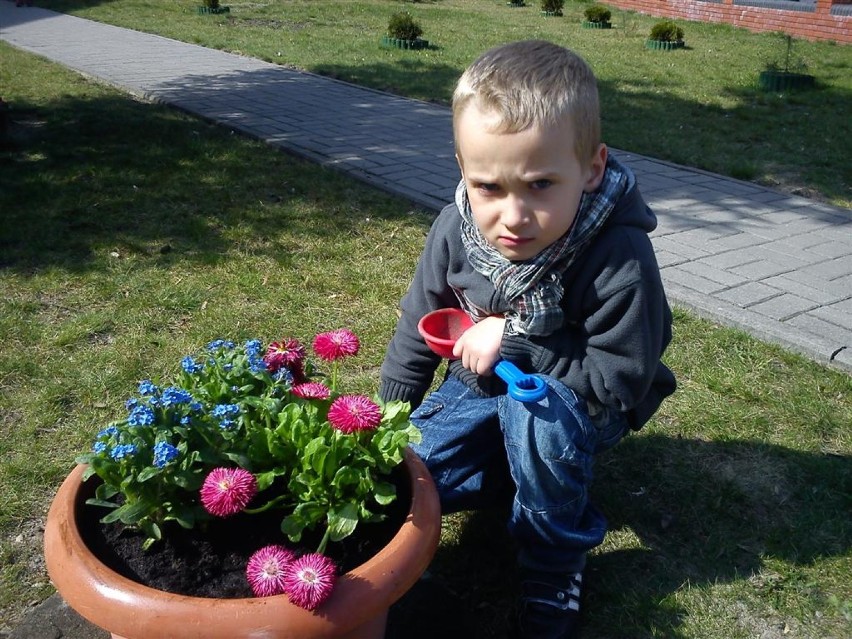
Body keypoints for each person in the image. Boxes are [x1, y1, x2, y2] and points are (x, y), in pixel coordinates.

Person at [379, 40, 676, 638]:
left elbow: (617, 381)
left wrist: (514, 340)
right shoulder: (455, 228)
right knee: (411, 477)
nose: (513, 216)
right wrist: (389, 418)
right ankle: (520, 475)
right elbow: (419, 321)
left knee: (535, 421)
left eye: (541, 185)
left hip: (580, 400)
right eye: (489, 186)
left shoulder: (618, 255)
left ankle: (553, 563)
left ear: (591, 170)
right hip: (480, 383)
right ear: (464, 170)